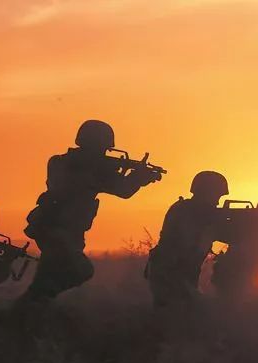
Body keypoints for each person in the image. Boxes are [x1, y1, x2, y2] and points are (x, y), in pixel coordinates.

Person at [21, 119, 161, 301]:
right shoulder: (77, 167)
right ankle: (35, 303)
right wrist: (138, 177)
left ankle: (32, 308)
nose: (104, 153)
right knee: (81, 270)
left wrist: (132, 175)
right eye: (103, 149)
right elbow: (123, 190)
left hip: (57, 228)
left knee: (48, 276)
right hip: (58, 229)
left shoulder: (61, 162)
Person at [146, 171, 230, 307]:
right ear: (206, 193)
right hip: (170, 275)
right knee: (190, 311)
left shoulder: (191, 211)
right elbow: (187, 241)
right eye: (216, 196)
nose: (217, 202)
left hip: (176, 275)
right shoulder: (186, 211)